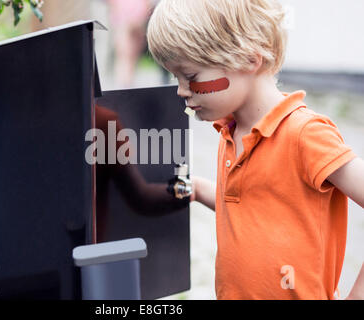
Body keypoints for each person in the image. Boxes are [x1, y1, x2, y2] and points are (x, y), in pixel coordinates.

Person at [146, 0, 364, 300]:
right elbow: (251, 205)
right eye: (176, 78)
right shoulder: (229, 132)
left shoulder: (305, 135)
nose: (181, 91)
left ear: (249, 58)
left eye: (191, 77)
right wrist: (195, 189)